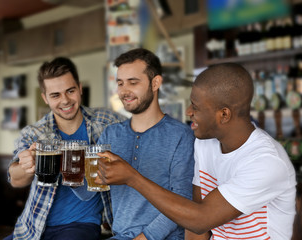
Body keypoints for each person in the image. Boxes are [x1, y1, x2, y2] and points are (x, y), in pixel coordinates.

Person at [96, 62, 297, 239]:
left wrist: (132, 178)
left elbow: (200, 219)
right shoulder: (205, 142)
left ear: (224, 114)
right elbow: (195, 229)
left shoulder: (266, 162)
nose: (188, 112)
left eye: (196, 107)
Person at [4, 57, 126, 240]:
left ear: (80, 88)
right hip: (33, 225)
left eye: (70, 91)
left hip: (81, 224)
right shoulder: (34, 133)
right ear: (44, 97)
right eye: (55, 95)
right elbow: (15, 179)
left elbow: (137, 144)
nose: (65, 101)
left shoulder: (107, 122)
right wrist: (27, 165)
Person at [95, 48, 195, 239]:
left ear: (155, 82)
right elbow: (90, 190)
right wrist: (70, 174)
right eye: (120, 83)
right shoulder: (111, 134)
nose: (124, 91)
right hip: (119, 235)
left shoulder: (181, 135)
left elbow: (183, 200)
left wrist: (146, 237)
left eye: (133, 82)